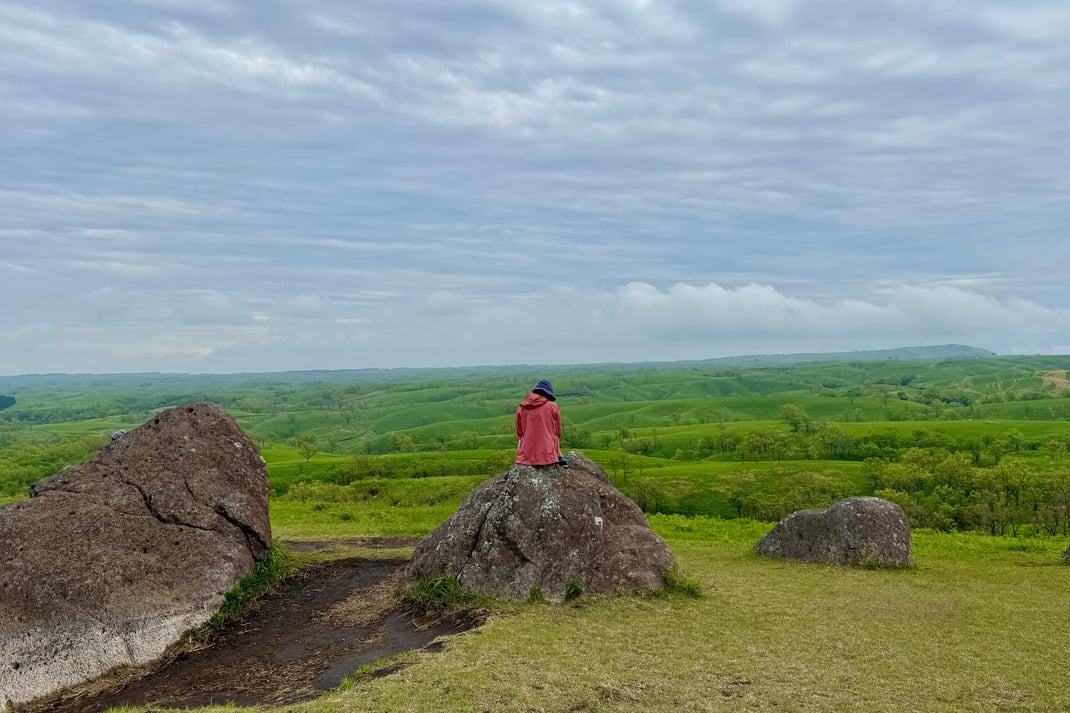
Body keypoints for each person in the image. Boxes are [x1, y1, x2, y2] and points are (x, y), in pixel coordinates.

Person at [515, 379, 567, 467]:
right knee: (552, 434)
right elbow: (558, 432)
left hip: (526, 456)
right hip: (548, 455)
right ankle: (560, 456)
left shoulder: (521, 407)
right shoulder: (553, 406)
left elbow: (519, 434)